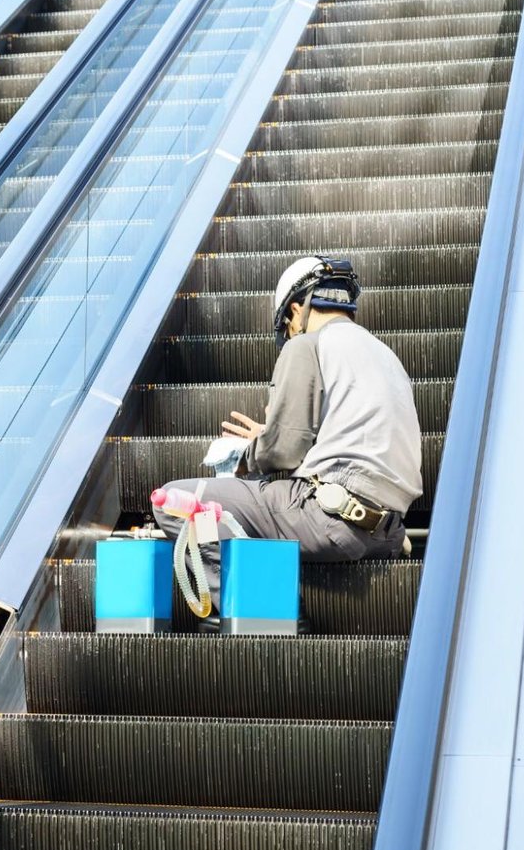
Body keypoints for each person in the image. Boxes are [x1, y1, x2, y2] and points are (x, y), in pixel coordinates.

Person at [151, 255, 422, 626]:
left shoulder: (308, 345)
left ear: (297, 309)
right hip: (386, 532)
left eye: (287, 327)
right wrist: (270, 438)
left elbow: (283, 451)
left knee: (174, 501)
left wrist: (246, 455)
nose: (290, 336)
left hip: (330, 519)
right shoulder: (387, 357)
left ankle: (263, 609)